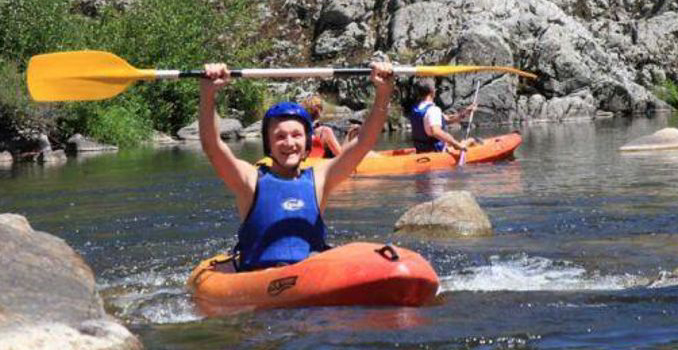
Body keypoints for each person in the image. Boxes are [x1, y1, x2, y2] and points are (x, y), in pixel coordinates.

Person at [199, 62, 394, 271]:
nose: (290, 143)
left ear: (307, 142)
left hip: (310, 276)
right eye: (280, 136)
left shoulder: (321, 178)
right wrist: (208, 94)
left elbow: (364, 141)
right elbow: (213, 146)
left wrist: (383, 92)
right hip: (261, 279)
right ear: (269, 144)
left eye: (296, 135)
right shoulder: (249, 179)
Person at [408, 78, 476, 154]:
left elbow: (448, 119)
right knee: (471, 141)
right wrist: (456, 144)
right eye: (435, 88)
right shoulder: (433, 110)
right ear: (432, 92)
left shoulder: (417, 108)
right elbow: (436, 132)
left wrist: (465, 112)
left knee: (463, 141)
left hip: (421, 150)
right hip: (435, 152)